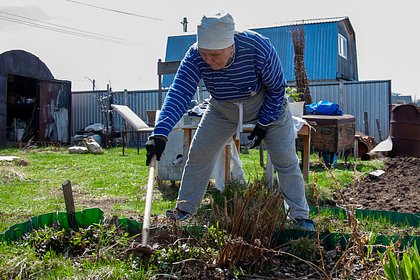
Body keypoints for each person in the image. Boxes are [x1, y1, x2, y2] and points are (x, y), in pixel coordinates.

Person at [146, 12, 315, 230]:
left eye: (215, 55)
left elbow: (276, 89)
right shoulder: (195, 55)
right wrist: (160, 133)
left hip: (267, 104)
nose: (208, 60)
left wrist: (264, 123)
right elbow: (179, 92)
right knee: (199, 155)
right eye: (204, 54)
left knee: (285, 160)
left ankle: (300, 217)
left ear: (231, 45)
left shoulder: (257, 47)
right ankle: (185, 210)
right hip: (222, 109)